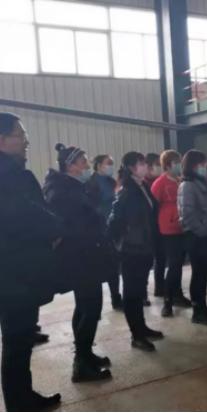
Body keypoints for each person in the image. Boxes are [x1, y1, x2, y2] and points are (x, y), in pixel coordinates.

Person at [0, 113, 62, 411]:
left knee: (19, 340)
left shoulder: (14, 175)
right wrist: (56, 227)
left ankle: (22, 397)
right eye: (20, 135)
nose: (26, 141)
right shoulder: (10, 178)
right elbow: (28, 215)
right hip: (15, 274)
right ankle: (19, 403)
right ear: (1, 140)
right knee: (17, 341)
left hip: (16, 271)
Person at [44, 144, 112, 383]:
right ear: (70, 166)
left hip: (86, 255)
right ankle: (81, 365)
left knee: (85, 307)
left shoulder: (73, 187)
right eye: (83, 162)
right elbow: (71, 226)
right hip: (80, 257)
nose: (87, 166)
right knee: (90, 308)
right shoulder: (62, 192)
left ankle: (85, 354)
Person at [108, 152, 164, 351]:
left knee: (139, 290)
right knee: (131, 293)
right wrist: (123, 240)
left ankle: (142, 327)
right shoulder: (126, 190)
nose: (146, 166)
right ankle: (136, 335)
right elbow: (114, 221)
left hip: (144, 247)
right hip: (132, 249)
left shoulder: (142, 186)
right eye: (141, 163)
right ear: (132, 167)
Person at [178, 150, 207, 325]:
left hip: (206, 235)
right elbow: (187, 215)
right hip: (197, 237)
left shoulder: (203, 182)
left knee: (203, 274)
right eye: (202, 164)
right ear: (193, 165)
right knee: (198, 275)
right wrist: (203, 230)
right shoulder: (187, 185)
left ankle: (203, 306)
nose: (205, 167)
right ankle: (197, 312)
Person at [151, 150, 192, 318]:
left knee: (179, 263)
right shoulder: (160, 183)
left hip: (182, 227)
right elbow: (153, 207)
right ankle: (167, 301)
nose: (179, 166)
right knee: (174, 265)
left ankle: (177, 294)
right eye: (176, 163)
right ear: (168, 165)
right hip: (168, 229)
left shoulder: (180, 181)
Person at [87, 154, 122, 310]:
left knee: (114, 265)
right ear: (99, 165)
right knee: (103, 265)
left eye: (112, 163)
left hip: (112, 227)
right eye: (108, 163)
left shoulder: (111, 181)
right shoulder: (91, 183)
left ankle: (116, 296)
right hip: (99, 228)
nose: (111, 166)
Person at [145, 153, 166, 298]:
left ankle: (160, 286)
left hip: (160, 225)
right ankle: (143, 292)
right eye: (157, 165)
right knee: (146, 261)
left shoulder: (159, 181)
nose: (159, 168)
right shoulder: (144, 184)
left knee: (161, 257)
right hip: (148, 227)